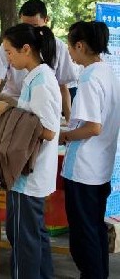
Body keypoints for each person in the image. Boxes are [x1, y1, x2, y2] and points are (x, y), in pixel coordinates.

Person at [0, 24, 61, 279]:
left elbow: (49, 130)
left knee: (24, 241)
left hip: (29, 176)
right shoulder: (36, 76)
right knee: (34, 237)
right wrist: (12, 103)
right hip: (27, 174)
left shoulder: (42, 80)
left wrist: (10, 111)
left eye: (10, 52)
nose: (8, 58)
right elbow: (31, 113)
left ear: (26, 49)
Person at [59, 21, 120, 279]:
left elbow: (93, 127)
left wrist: (64, 135)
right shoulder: (108, 73)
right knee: (94, 231)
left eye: (70, 48)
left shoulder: (89, 78)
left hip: (84, 170)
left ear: (80, 46)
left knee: (83, 237)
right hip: (100, 168)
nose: (70, 54)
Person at [0, 0, 76, 122]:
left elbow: (63, 88)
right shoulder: (11, 47)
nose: (29, 31)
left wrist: (69, 122)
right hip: (15, 108)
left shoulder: (42, 78)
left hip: (34, 114)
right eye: (25, 26)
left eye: (34, 26)